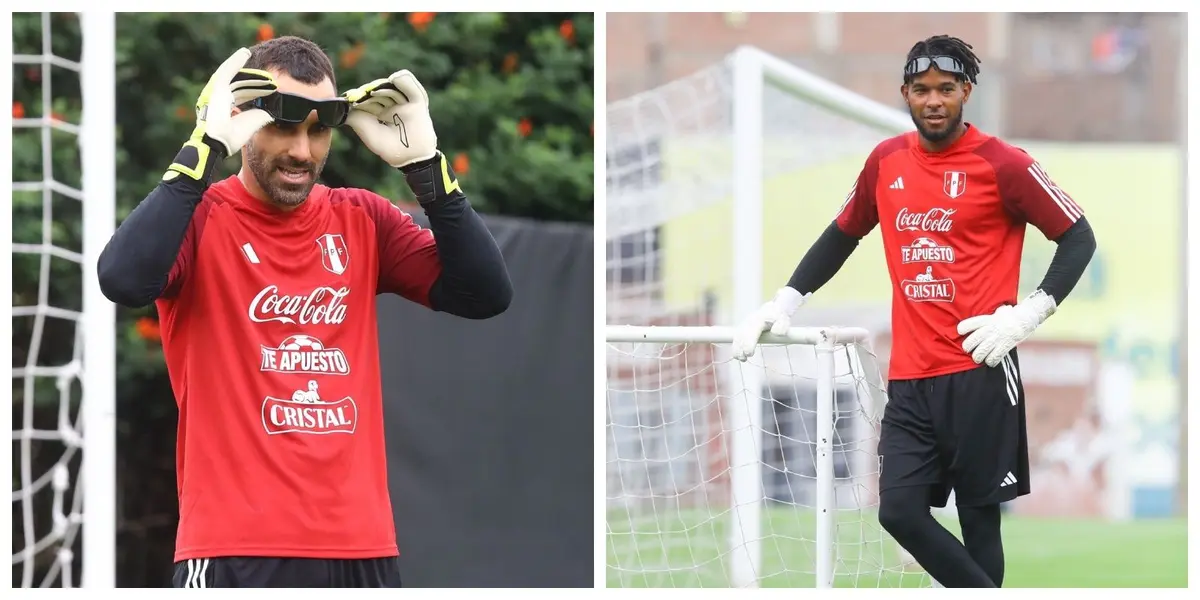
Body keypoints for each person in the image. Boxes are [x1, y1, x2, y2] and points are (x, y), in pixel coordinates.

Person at [98, 37, 513, 588]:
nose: (301, 150)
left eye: (318, 131)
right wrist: (203, 149)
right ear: (240, 119)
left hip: (361, 548)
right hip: (235, 550)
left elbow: (486, 294)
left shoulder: (362, 217)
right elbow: (122, 279)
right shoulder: (198, 219)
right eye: (283, 125)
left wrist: (427, 170)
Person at [731, 35, 1096, 588]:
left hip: (981, 367)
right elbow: (843, 233)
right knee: (898, 511)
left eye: (946, 89)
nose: (933, 101)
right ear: (905, 93)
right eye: (921, 89)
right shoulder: (886, 161)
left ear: (966, 91)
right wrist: (785, 300)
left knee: (979, 523)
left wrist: (1026, 315)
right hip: (909, 377)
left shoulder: (1005, 163)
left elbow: (1078, 236)